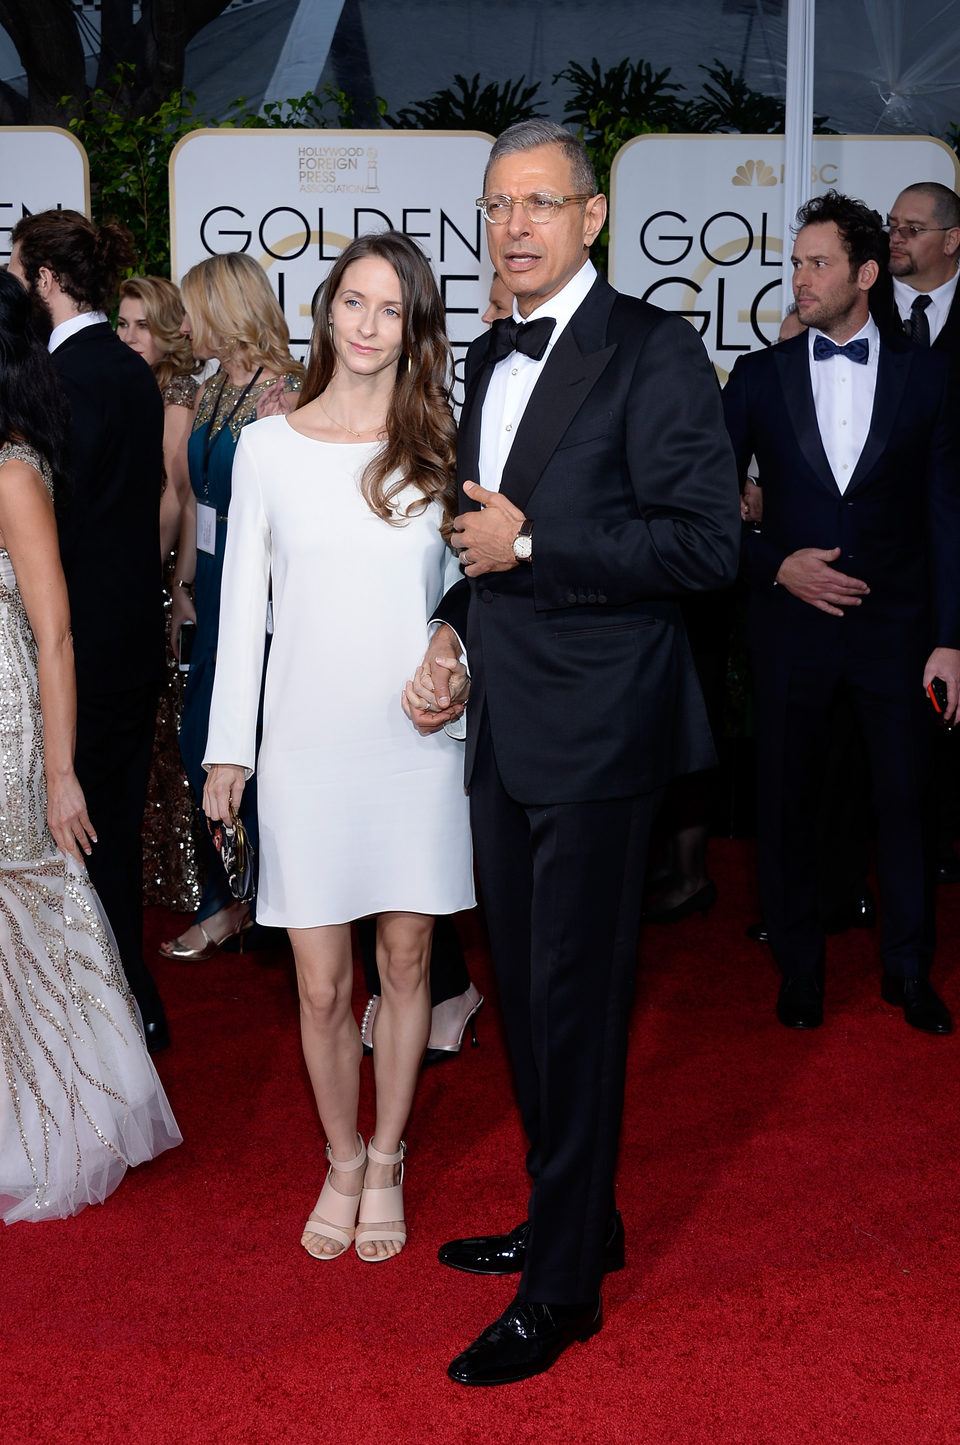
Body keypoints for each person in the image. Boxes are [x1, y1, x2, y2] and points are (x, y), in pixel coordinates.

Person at [406, 120, 739, 1385]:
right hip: (504, 725)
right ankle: (573, 1220)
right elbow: (478, 542)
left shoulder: (652, 349)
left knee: (577, 1004)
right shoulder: (489, 351)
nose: (515, 226)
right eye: (497, 206)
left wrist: (536, 552)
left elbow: (708, 548)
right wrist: (452, 627)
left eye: (540, 203)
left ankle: (564, 1294)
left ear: (592, 217)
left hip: (604, 730)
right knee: (530, 1008)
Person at [202, 231, 474, 1263]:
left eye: (390, 309)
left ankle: (390, 1153)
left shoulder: (440, 446)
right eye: (352, 302)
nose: (366, 325)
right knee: (321, 984)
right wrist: (231, 749)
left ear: (415, 330)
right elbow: (240, 612)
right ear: (325, 312)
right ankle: (341, 1152)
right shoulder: (265, 448)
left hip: (414, 742)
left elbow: (476, 598)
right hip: (306, 745)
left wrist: (462, 681)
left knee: (406, 961)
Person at [723, 190, 960, 1035]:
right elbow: (705, 509)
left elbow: (946, 513)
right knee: (784, 803)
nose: (800, 277)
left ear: (866, 273)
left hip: (897, 636)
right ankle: (799, 969)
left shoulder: (928, 376)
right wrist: (777, 566)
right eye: (796, 261)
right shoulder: (758, 377)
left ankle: (909, 969)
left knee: (905, 806)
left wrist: (949, 639)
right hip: (790, 634)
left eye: (819, 263)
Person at [0, 269, 180, 1223]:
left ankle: (67, 1119)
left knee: (29, 899)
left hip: (10, 714)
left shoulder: (15, 469)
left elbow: (53, 631)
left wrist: (61, 770)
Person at [9, 210, 169, 1052]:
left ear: (43, 280)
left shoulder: (66, 381)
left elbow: (50, 520)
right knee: (107, 830)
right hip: (128, 635)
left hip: (77, 645)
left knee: (78, 832)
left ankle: (111, 1020)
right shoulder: (131, 370)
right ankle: (129, 1004)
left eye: (15, 269)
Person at [160, 254, 303, 961]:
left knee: (261, 758)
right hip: (214, 587)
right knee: (201, 746)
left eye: (192, 310)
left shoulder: (293, 390)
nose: (183, 326)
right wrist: (183, 586)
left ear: (225, 309)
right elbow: (195, 501)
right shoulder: (214, 387)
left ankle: (273, 903)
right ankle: (231, 899)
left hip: (268, 600)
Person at [117, 276, 206, 914]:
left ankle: (189, 880)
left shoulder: (178, 390)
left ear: (171, 328)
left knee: (173, 727)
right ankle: (156, 871)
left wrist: (159, 581)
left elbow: (176, 493)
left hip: (162, 566)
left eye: (142, 325)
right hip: (137, 561)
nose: (129, 337)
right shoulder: (129, 384)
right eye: (122, 324)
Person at [886, 182, 960, 886]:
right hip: (885, 559)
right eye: (891, 226)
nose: (897, 237)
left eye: (912, 227)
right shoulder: (865, 310)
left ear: (951, 239)